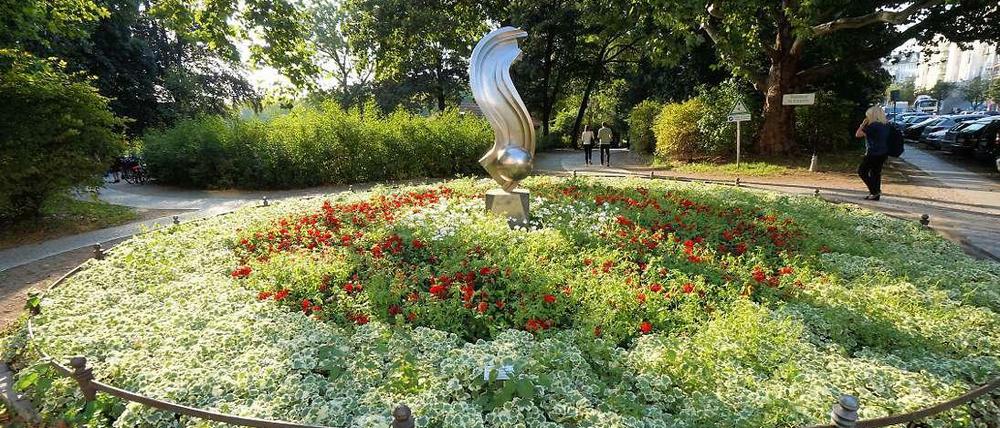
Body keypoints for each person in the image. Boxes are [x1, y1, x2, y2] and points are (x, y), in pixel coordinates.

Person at [854, 106, 890, 201]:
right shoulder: (886, 125)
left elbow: (858, 134)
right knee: (876, 173)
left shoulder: (873, 126)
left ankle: (874, 191)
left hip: (873, 152)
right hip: (883, 152)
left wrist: (862, 124)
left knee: (862, 171)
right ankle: (875, 195)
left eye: (868, 115)